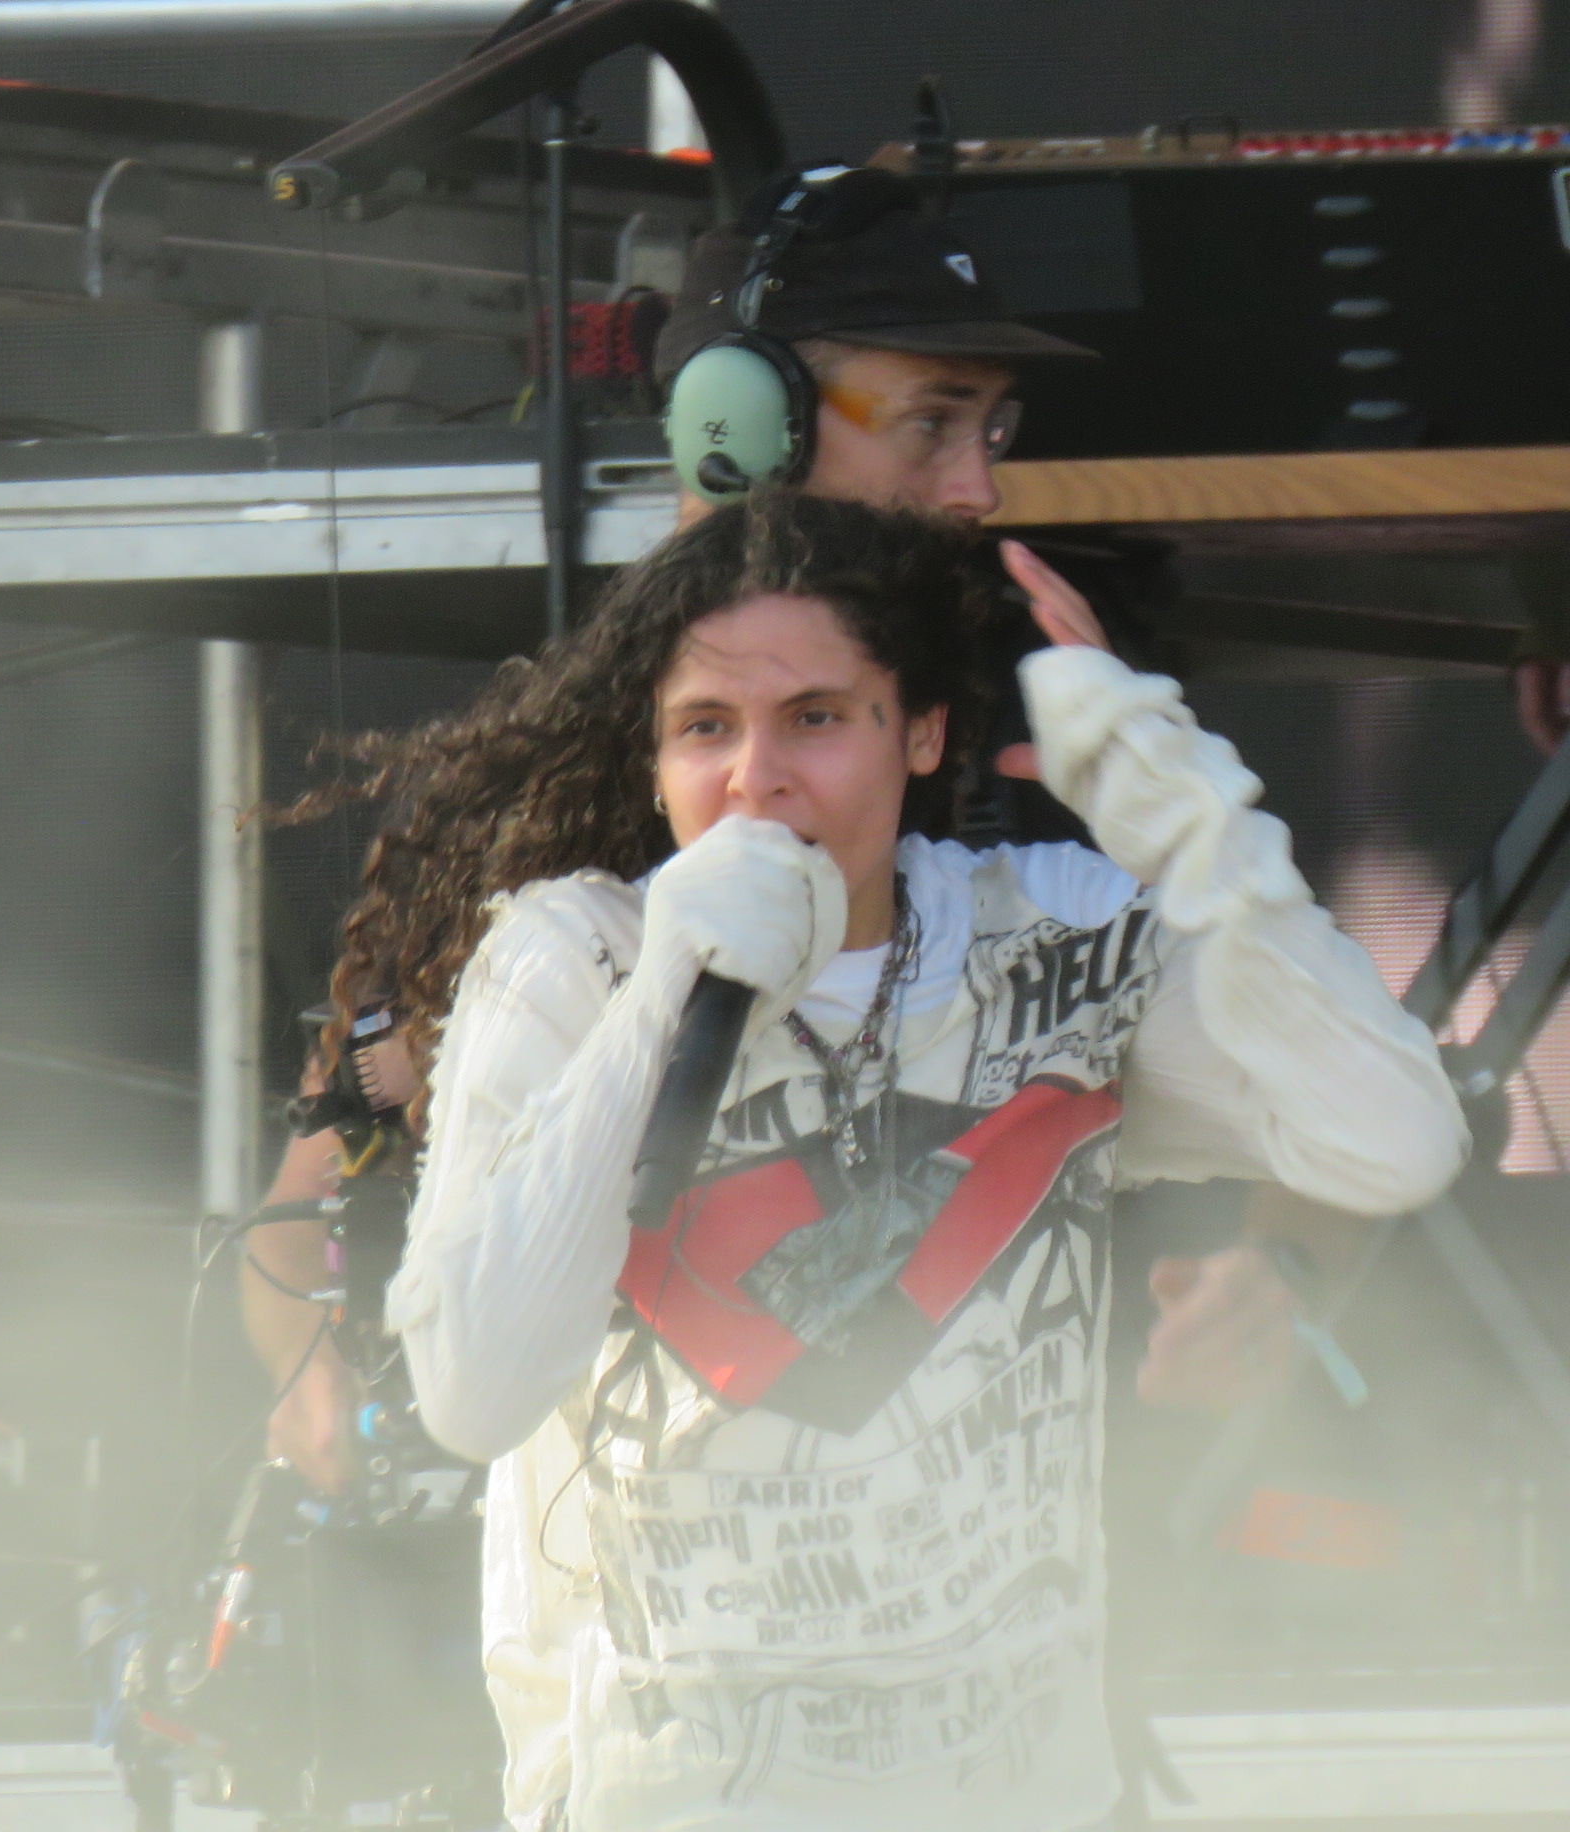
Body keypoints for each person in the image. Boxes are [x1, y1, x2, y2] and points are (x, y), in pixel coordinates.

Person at [381, 491, 1461, 1829]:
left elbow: (1393, 1138)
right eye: (706, 728)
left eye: (816, 719)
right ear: (653, 758)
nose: (757, 778)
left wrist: (1189, 820)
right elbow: (474, 1392)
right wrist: (663, 992)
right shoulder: (570, 960)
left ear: (924, 733)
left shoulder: (1053, 943)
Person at [242, 169, 1324, 1489]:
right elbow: (316, 1195)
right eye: (930, 424)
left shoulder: (1062, 715)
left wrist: (1280, 1263)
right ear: (742, 427)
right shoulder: (556, 810)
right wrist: (319, 1379)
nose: (978, 487)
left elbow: (1309, 1047)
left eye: (993, 429)